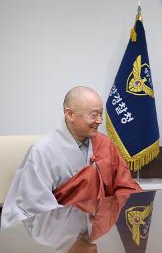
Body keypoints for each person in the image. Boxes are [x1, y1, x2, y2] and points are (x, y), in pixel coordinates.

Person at [1, 86, 141, 229]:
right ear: (70, 114)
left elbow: (124, 186)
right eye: (93, 115)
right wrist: (74, 228)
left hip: (96, 225)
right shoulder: (43, 151)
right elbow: (37, 205)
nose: (100, 121)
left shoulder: (105, 144)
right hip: (58, 230)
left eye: (101, 114)